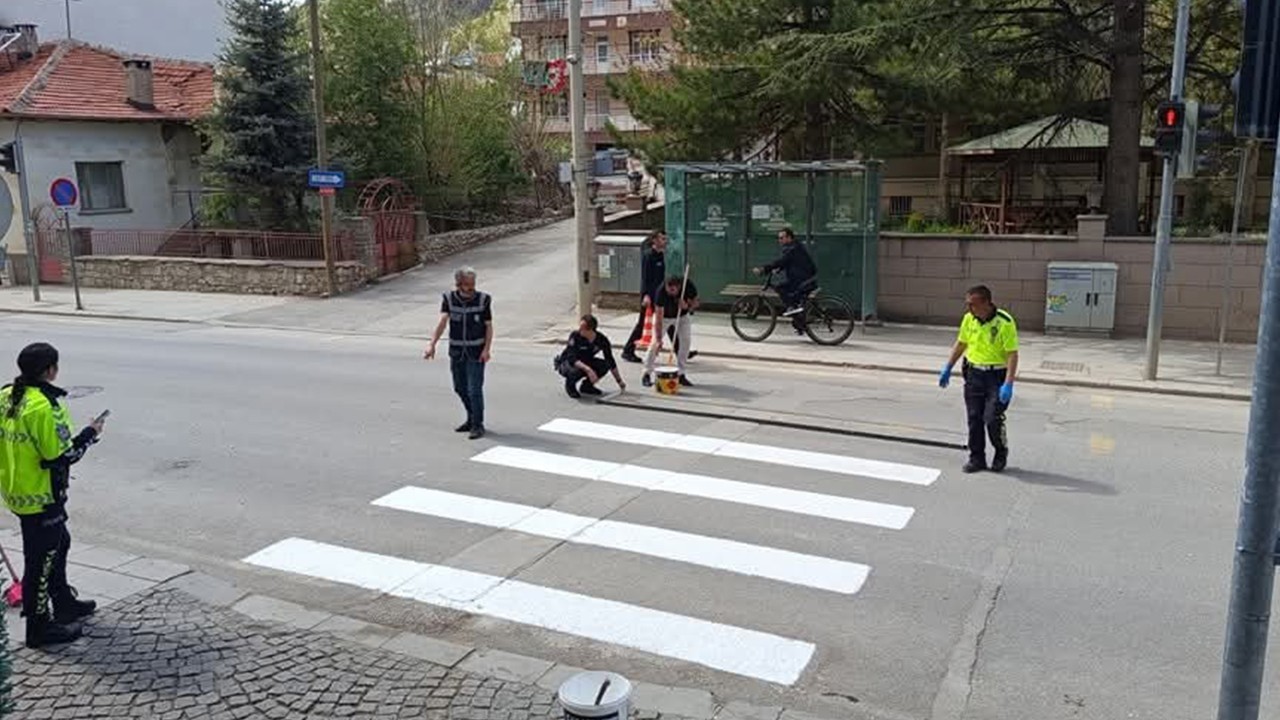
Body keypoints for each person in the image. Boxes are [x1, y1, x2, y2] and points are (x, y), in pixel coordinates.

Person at [0, 342, 104, 649]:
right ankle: (39, 627)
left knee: (60, 542)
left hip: (17, 490)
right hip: (41, 495)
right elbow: (61, 455)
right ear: (50, 370)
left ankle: (64, 604)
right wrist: (90, 435)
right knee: (40, 561)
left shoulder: (7, 394)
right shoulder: (45, 407)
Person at [938, 285, 1020, 473]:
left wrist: (1008, 383)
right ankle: (977, 458)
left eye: (973, 304)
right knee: (974, 418)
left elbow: (1012, 355)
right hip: (974, 374)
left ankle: (1001, 451)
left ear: (986, 303)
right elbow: (961, 344)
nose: (969, 309)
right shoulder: (969, 319)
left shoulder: (1004, 322)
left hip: (996, 376)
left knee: (992, 418)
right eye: (968, 304)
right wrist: (948, 367)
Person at [425, 267, 493, 440]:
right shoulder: (448, 299)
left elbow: (488, 326)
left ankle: (478, 424)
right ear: (458, 284)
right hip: (457, 352)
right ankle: (471, 417)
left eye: (473, 284)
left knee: (474, 390)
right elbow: (442, 322)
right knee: (459, 387)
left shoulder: (483, 300)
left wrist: (486, 350)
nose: (471, 288)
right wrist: (432, 344)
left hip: (476, 352)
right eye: (467, 285)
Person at [642, 275, 699, 388]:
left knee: (685, 342)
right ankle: (646, 373)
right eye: (669, 289)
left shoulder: (688, 286)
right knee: (653, 344)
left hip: (682, 317)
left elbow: (697, 303)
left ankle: (681, 373)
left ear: (679, 287)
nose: (670, 292)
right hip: (664, 317)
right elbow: (658, 318)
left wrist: (687, 306)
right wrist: (659, 340)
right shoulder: (661, 293)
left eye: (673, 290)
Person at [621, 231, 667, 363]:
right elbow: (645, 277)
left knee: (669, 321)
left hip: (659, 294)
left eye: (665, 239)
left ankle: (681, 349)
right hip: (650, 296)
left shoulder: (660, 255)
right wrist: (646, 295)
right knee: (642, 324)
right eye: (662, 238)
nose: (665, 241)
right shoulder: (649, 256)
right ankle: (628, 350)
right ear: (654, 240)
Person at [556, 315, 626, 398]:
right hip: (567, 362)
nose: (579, 330)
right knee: (576, 371)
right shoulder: (575, 336)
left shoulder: (601, 340)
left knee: (604, 365)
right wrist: (589, 370)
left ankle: (587, 386)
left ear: (590, 330)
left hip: (585, 360)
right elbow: (572, 358)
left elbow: (610, 359)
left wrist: (619, 381)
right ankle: (570, 386)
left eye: (582, 328)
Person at [754, 227, 818, 319]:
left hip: (803, 279)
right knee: (792, 297)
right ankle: (799, 321)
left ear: (789, 238)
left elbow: (782, 261)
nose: (780, 240)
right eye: (779, 238)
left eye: (782, 238)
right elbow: (789, 261)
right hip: (803, 277)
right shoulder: (793, 246)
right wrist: (779, 269)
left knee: (781, 288)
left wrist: (764, 269)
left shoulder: (792, 248)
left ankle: (792, 308)